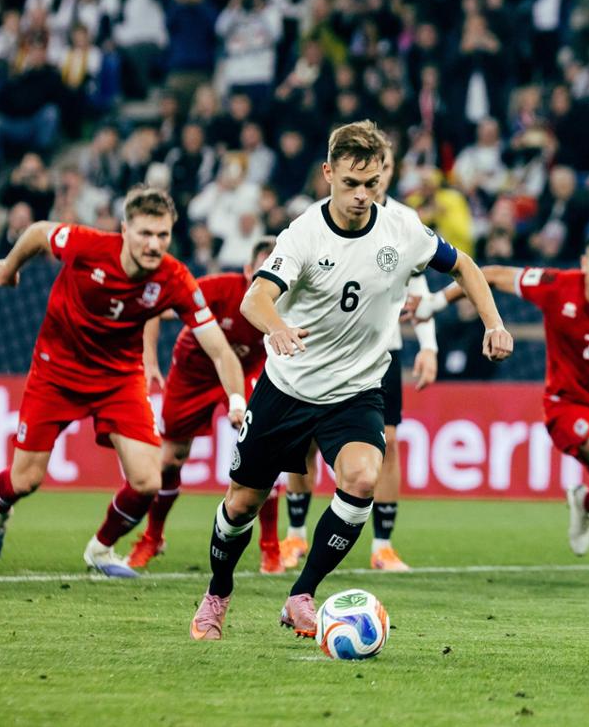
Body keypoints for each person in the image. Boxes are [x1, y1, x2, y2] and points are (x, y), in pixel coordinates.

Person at [189, 120, 513, 640]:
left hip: (357, 389)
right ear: (328, 174)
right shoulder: (303, 233)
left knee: (363, 478)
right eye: (350, 184)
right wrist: (279, 328)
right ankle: (217, 593)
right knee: (242, 504)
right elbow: (256, 298)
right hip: (288, 388)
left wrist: (494, 323)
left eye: (372, 183)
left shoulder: (403, 231)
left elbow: (466, 268)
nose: (362, 195)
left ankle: (301, 594)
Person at [0, 187, 247, 578]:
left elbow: (220, 350)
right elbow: (36, 233)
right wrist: (9, 266)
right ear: (124, 230)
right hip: (56, 373)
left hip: (119, 379)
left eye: (163, 235)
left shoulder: (175, 279)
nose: (154, 245)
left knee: (148, 481)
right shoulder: (88, 246)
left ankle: (100, 550)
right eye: (145, 234)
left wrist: (236, 399)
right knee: (25, 480)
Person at [417, 229, 589, 581]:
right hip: (564, 407)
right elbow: (488, 274)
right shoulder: (556, 285)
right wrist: (435, 302)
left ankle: (586, 501)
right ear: (585, 264)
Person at [279, 142, 440, 573]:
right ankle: (294, 537)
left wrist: (428, 344)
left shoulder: (405, 223)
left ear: (388, 170)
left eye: (381, 169)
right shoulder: (319, 219)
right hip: (320, 352)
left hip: (380, 355)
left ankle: (383, 546)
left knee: (386, 446)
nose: (374, 178)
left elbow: (417, 287)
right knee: (302, 445)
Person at [130, 239, 284, 574]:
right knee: (170, 458)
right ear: (247, 271)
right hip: (193, 373)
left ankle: (271, 547)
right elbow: (156, 305)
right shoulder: (220, 288)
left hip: (248, 373)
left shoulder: (290, 303)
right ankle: (153, 536)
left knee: (264, 452)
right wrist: (149, 359)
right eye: (261, 269)